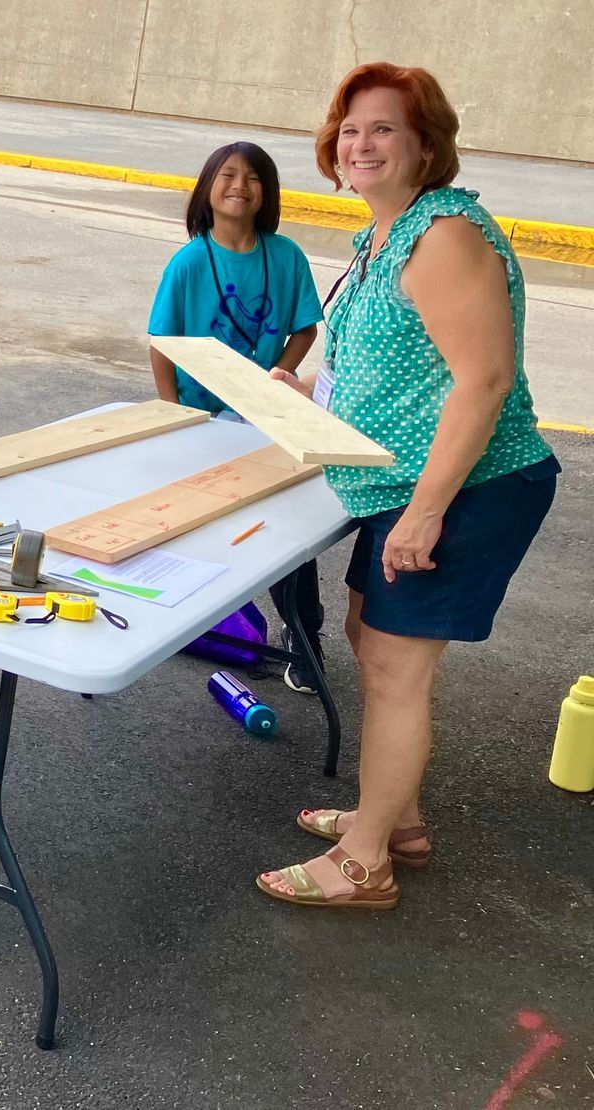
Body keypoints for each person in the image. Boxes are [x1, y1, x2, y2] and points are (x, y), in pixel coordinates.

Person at [256, 63, 560, 911]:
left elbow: (483, 381)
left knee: (393, 667)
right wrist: (306, 392)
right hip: (406, 484)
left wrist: (425, 513)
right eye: (351, 129)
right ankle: (398, 819)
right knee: (369, 634)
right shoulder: (387, 234)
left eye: (384, 128)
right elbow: (399, 377)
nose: (362, 144)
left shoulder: (444, 235)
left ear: (427, 145)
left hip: (469, 487)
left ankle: (364, 864)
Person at [146, 141, 328, 693]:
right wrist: (172, 411)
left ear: (267, 193)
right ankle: (185, 620)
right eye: (227, 175)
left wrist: (280, 377)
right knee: (197, 523)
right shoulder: (189, 261)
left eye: (253, 178)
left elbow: (305, 328)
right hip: (201, 422)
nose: (239, 186)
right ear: (207, 187)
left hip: (263, 420)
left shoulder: (286, 255)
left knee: (286, 529)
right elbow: (163, 341)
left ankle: (303, 637)